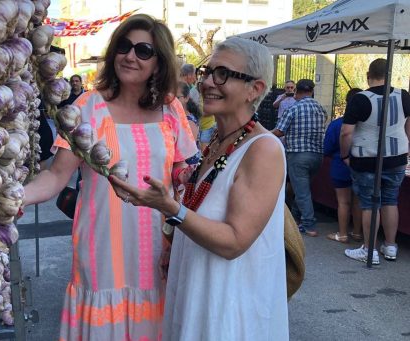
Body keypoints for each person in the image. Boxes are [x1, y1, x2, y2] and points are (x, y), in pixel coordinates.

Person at [22, 14, 197, 340]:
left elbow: (182, 171)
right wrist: (17, 197)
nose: (130, 56)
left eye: (144, 50)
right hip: (103, 250)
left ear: (159, 63)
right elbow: (57, 176)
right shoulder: (89, 106)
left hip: (160, 249)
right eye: (124, 47)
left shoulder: (171, 109)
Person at [109, 37, 288, 340]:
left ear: (254, 89)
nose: (207, 83)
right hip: (196, 293)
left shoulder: (264, 150)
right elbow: (198, 207)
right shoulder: (217, 143)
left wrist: (170, 208)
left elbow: (233, 242)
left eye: (223, 74)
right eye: (208, 71)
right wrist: (172, 237)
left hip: (230, 309)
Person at [341, 58, 410, 264]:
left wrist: (345, 155)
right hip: (397, 157)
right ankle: (390, 246)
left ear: (368, 75)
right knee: (390, 200)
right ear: (390, 75)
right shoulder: (403, 96)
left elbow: (346, 132)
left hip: (367, 158)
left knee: (370, 203)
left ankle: (369, 250)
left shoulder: (360, 99)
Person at [272, 79, 326, 237]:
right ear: (312, 91)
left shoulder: (294, 108)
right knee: (302, 187)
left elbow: (280, 131)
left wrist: (263, 135)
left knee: (302, 191)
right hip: (317, 155)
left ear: (297, 91)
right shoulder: (320, 108)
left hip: (298, 154)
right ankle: (296, 216)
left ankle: (309, 224)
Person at [324, 88, 363, 243]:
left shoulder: (337, 124)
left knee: (343, 202)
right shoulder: (366, 125)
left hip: (340, 166)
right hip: (361, 165)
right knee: (358, 201)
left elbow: (327, 147)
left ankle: (343, 233)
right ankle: (358, 232)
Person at [177, 81, 202, 165]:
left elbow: (187, 152)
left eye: (177, 97)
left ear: (186, 98)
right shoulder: (177, 117)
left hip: (188, 167)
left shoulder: (189, 122)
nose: (173, 101)